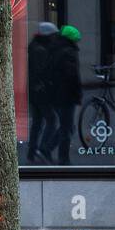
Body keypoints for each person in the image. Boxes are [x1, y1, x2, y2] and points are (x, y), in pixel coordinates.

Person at [25, 22, 64, 163]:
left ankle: (32, 152)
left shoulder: (35, 47)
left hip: (35, 91)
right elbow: (43, 72)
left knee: (37, 122)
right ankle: (43, 149)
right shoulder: (41, 50)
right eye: (53, 35)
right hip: (41, 92)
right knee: (51, 120)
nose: (55, 38)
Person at [51, 25, 83, 165]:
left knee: (66, 126)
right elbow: (72, 76)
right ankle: (63, 159)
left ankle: (47, 148)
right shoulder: (69, 52)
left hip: (57, 93)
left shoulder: (56, 48)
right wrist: (78, 93)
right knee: (67, 127)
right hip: (66, 95)